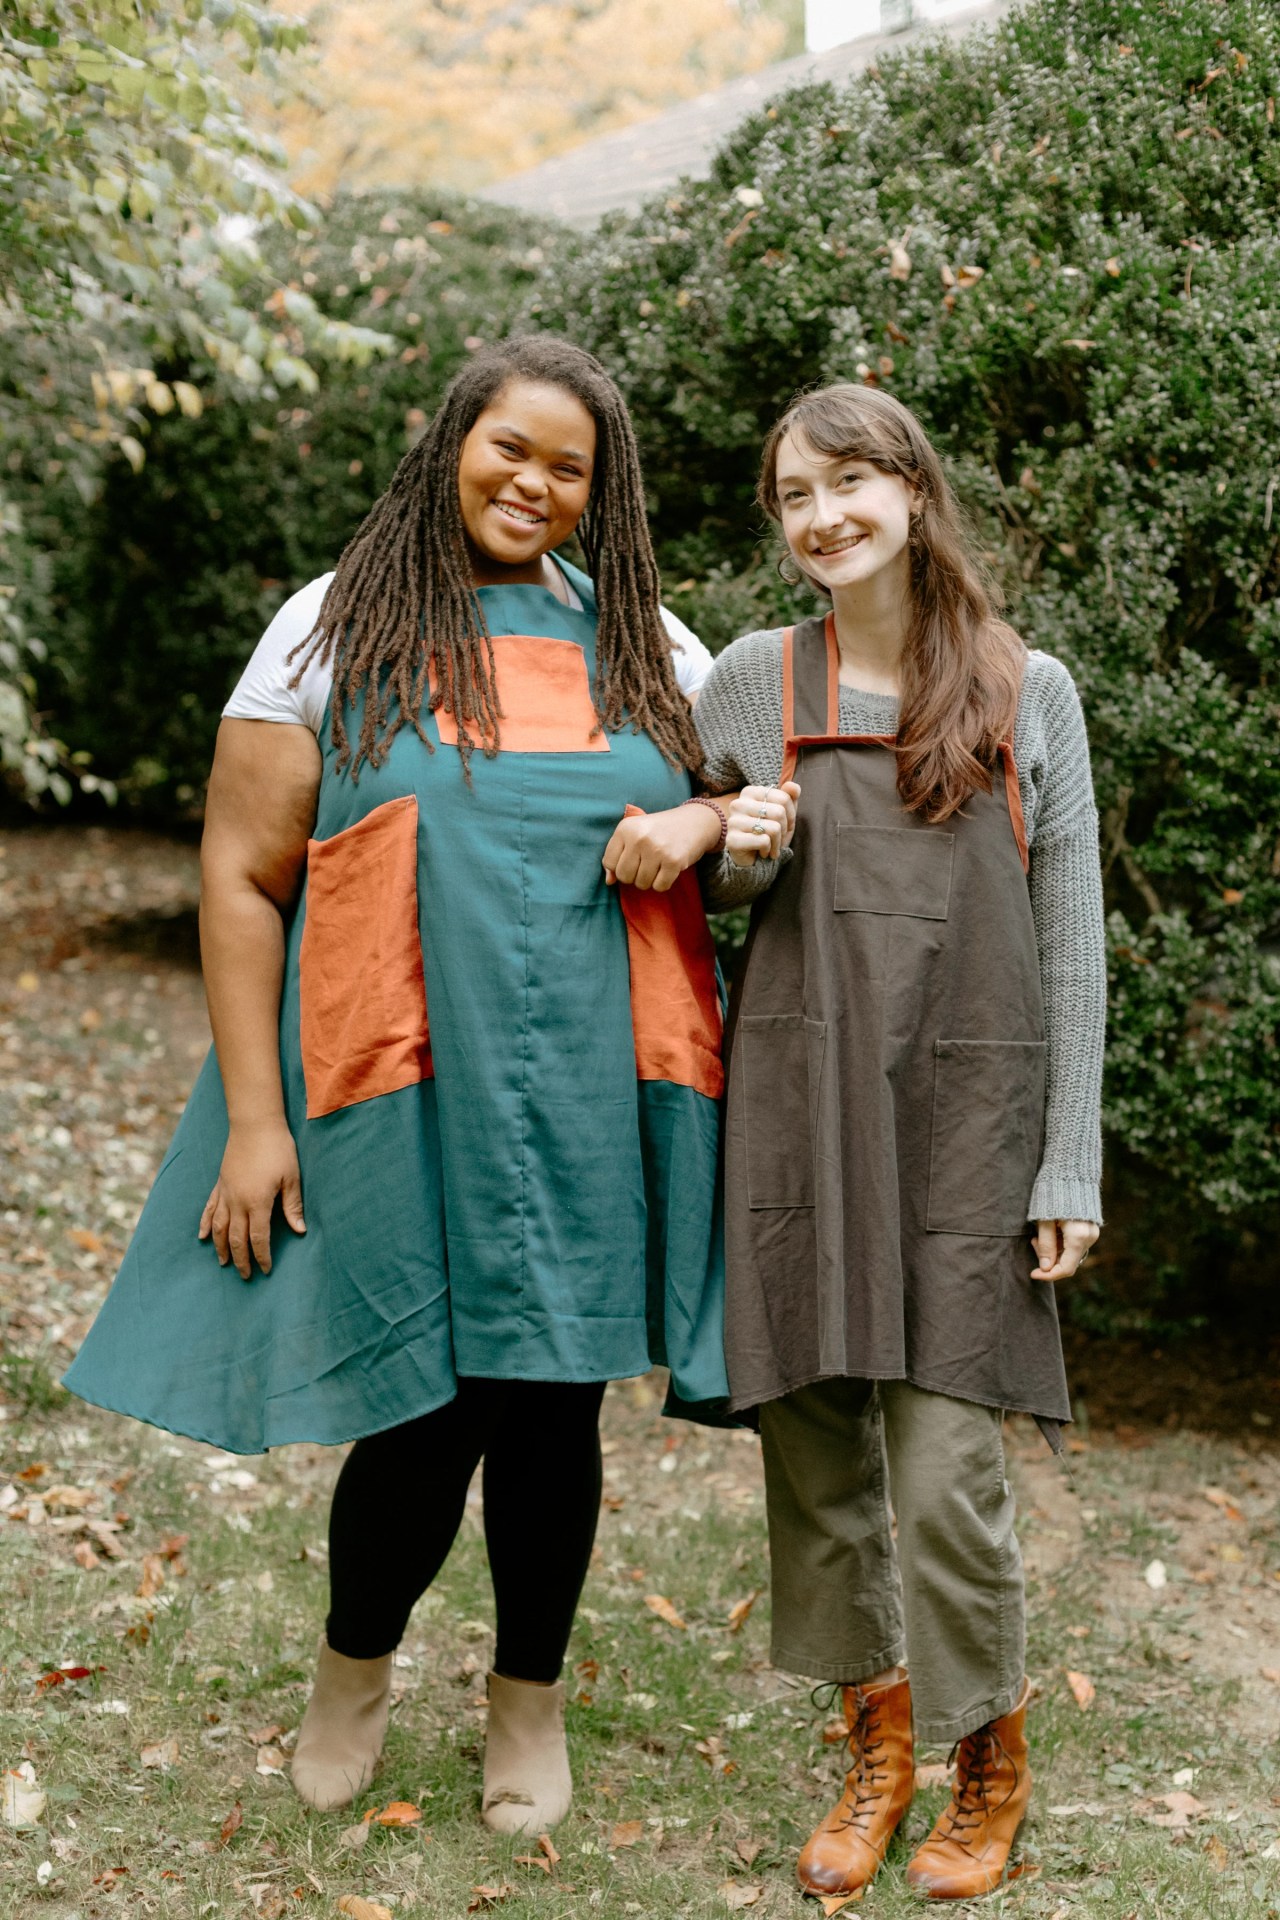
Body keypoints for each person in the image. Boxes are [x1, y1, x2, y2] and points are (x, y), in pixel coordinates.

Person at [64, 336, 793, 1831]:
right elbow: (243, 875)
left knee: (554, 1408)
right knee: (420, 1403)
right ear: (454, 438)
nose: (534, 483)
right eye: (510, 447)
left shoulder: (652, 644)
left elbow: (748, 827)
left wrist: (715, 827)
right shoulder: (330, 627)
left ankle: (529, 1701)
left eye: (570, 468)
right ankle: (354, 1673)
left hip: (593, 1092)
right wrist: (254, 1123)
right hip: (395, 1074)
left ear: (602, 493)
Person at [693, 384, 1106, 1902]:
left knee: (944, 1472)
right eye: (795, 496)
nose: (824, 518)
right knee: (816, 1454)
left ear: (913, 493)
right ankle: (876, 1744)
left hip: (967, 1120)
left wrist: (1070, 1161)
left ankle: (990, 1756)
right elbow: (704, 903)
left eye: (849, 483)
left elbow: (1071, 941)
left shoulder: (1027, 688)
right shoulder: (753, 680)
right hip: (800, 1106)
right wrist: (739, 856)